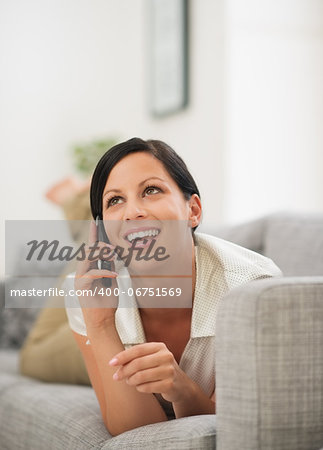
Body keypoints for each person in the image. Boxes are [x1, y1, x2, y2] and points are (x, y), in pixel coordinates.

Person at [62, 137, 282, 436]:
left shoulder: (253, 288)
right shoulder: (83, 295)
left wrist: (182, 389)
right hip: (87, 314)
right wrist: (100, 326)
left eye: (151, 190)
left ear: (193, 210)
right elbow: (131, 434)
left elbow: (232, 427)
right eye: (115, 200)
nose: (132, 212)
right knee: (39, 358)